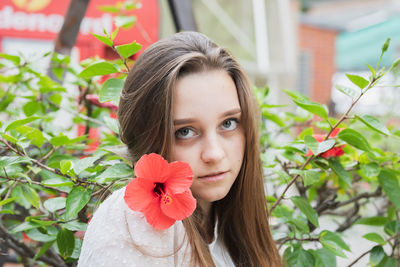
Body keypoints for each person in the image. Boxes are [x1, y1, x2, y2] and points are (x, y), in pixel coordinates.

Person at [78, 31, 282, 267]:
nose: (214, 154)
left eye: (228, 123)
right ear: (148, 139)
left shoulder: (232, 225)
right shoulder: (133, 219)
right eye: (185, 131)